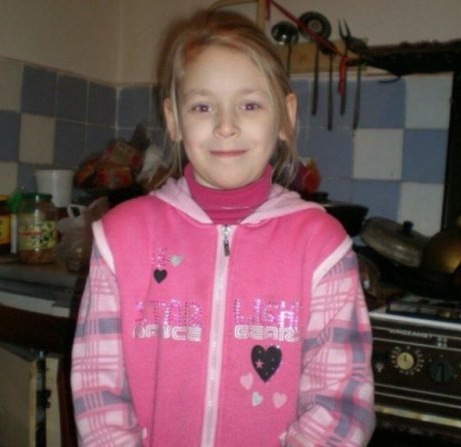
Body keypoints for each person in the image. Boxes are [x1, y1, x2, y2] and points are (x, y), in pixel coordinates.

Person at [71, 9, 375, 447]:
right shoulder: (121, 238)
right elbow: (98, 390)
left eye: (249, 105)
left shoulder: (322, 247)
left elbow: (341, 402)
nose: (226, 126)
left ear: (285, 116)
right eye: (202, 106)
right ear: (174, 120)